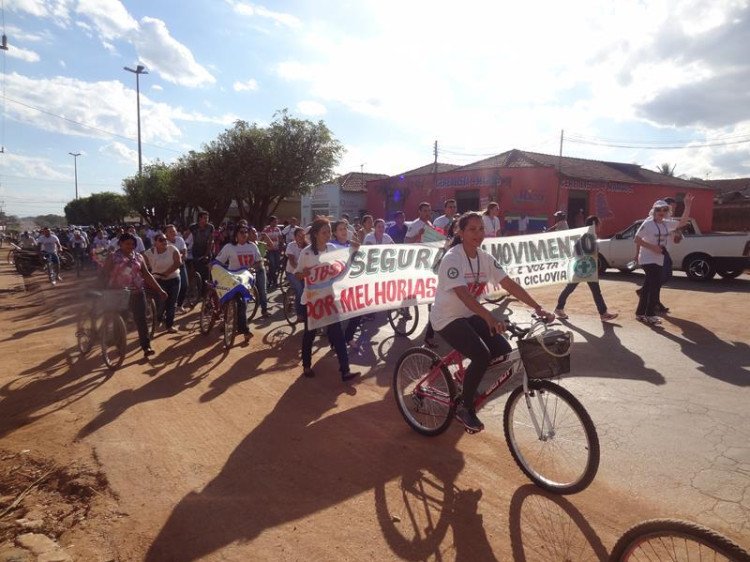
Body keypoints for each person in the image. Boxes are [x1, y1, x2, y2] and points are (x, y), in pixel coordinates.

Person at [430, 212, 556, 432]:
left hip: (469, 315)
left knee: (502, 351)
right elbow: (463, 294)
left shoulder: (484, 257)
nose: (478, 234)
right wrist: (489, 317)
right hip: (446, 318)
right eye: (472, 229)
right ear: (460, 232)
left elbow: (509, 284)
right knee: (481, 355)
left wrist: (538, 307)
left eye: (481, 229)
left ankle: (465, 376)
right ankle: (464, 407)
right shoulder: (452, 257)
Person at [296, 218, 360, 382]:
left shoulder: (333, 249)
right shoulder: (306, 253)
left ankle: (345, 370)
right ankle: (307, 365)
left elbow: (345, 263)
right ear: (316, 234)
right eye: (324, 232)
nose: (328, 235)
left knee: (337, 333)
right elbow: (297, 273)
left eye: (329, 232)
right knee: (310, 334)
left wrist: (354, 250)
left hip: (330, 299)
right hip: (312, 302)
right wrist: (304, 274)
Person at [103, 233, 167, 357]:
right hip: (119, 293)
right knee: (121, 319)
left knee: (141, 320)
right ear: (120, 244)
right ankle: (119, 344)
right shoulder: (113, 257)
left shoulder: (139, 257)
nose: (130, 246)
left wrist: (160, 290)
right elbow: (105, 273)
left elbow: (147, 275)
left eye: (133, 244)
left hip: (137, 292)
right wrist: (106, 289)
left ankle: (146, 346)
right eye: (127, 243)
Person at [634, 195, 694, 325]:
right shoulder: (648, 223)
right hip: (647, 258)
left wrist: (687, 206)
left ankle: (640, 313)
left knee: (648, 287)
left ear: (667, 212)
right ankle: (650, 314)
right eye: (658, 210)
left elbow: (683, 222)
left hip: (659, 258)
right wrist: (653, 248)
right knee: (655, 285)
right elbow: (636, 239)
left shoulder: (666, 223)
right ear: (653, 211)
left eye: (664, 210)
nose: (661, 213)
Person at [554, 216, 618, 322]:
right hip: (584, 267)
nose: (600, 226)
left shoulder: (585, 234)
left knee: (574, 288)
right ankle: (603, 313)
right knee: (579, 289)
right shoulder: (588, 235)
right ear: (594, 224)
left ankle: (559, 308)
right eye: (599, 224)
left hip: (584, 267)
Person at [214, 223, 262, 342]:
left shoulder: (253, 247)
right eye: (242, 232)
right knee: (234, 302)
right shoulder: (229, 247)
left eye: (246, 232)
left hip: (246, 279)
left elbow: (259, 262)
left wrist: (253, 268)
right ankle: (237, 326)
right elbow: (218, 261)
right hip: (232, 279)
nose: (245, 234)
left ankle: (242, 329)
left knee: (241, 304)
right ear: (236, 234)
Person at [144, 233, 182, 333]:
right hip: (158, 281)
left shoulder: (172, 249)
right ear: (155, 242)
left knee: (171, 303)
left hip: (174, 280)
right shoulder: (149, 253)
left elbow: (178, 263)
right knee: (160, 303)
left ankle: (169, 325)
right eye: (161, 240)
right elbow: (142, 264)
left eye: (165, 239)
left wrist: (166, 273)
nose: (164, 241)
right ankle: (159, 319)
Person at [189, 212, 214, 296]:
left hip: (206, 252)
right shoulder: (193, 227)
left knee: (206, 274)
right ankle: (192, 290)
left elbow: (210, 241)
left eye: (207, 218)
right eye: (204, 218)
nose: (206, 220)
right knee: (196, 272)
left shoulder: (210, 227)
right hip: (196, 252)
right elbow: (187, 236)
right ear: (199, 218)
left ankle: (204, 293)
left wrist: (207, 254)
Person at [247, 226, 270, 318]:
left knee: (263, 290)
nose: (255, 234)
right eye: (252, 232)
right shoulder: (244, 245)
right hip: (247, 271)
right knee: (246, 291)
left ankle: (264, 310)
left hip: (259, 269)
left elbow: (271, 246)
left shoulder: (259, 244)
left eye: (256, 232)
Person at [164, 225, 188, 313]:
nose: (173, 233)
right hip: (169, 267)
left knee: (184, 285)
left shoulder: (180, 239)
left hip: (181, 265)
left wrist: (183, 257)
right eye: (170, 231)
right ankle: (168, 307)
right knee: (169, 288)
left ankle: (179, 305)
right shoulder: (164, 242)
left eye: (174, 231)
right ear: (165, 233)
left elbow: (184, 251)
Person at [285, 227, 307, 320]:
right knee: (300, 290)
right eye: (299, 236)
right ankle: (299, 314)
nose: (301, 237)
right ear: (294, 237)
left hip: (304, 273)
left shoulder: (307, 246)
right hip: (292, 272)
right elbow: (292, 261)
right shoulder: (291, 245)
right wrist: (299, 271)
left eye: (303, 236)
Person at [262, 216, 283, 290]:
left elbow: (280, 238)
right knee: (272, 265)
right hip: (270, 250)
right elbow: (262, 239)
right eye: (274, 221)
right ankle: (273, 281)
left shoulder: (277, 229)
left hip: (277, 250)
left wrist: (281, 246)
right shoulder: (266, 229)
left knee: (277, 265)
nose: (276, 223)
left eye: (276, 221)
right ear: (271, 222)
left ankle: (271, 279)